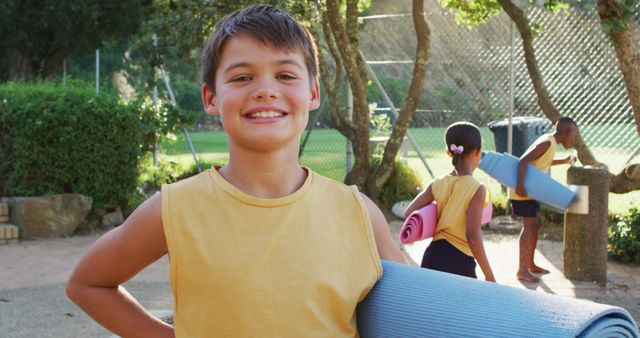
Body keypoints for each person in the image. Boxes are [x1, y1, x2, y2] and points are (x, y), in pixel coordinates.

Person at [66, 5, 406, 337]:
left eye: (285, 75)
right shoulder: (175, 208)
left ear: (313, 92)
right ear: (211, 98)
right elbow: (88, 283)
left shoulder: (357, 213)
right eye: (242, 77)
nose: (265, 90)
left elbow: (417, 307)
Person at [404, 122, 496, 282]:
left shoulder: (438, 183)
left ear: (449, 152)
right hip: (459, 260)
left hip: (432, 255)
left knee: (431, 306)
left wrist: (435, 212)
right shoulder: (477, 189)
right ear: (478, 151)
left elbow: (409, 212)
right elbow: (472, 236)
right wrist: (489, 275)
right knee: (463, 307)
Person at [510, 117, 579, 283]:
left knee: (536, 223)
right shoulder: (547, 142)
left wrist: (563, 161)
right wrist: (520, 186)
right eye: (574, 135)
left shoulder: (551, 143)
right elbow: (524, 160)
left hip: (532, 190)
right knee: (528, 226)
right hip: (523, 189)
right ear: (567, 132)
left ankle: (530, 264)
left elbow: (542, 161)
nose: (575, 139)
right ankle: (522, 270)